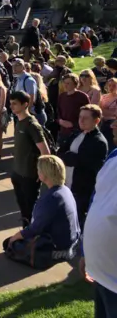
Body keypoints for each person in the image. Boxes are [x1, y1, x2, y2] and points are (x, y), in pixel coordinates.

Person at [3, 155, 80, 269]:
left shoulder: (52, 198)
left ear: (44, 174)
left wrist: (16, 237)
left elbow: (36, 228)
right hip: (72, 242)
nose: (37, 171)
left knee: (8, 243)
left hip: (59, 248)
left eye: (39, 169)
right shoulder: (64, 190)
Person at [79, 120, 117, 316]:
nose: (112, 126)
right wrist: (87, 252)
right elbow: (97, 203)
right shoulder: (113, 157)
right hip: (101, 274)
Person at [58, 104, 108, 229]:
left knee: (77, 221)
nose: (81, 120)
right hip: (66, 183)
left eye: (86, 118)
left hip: (81, 190)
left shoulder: (98, 142)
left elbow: (80, 162)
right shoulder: (76, 133)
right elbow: (60, 152)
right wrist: (70, 157)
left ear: (96, 121)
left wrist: (70, 157)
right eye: (80, 117)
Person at [9, 91, 50, 228]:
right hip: (17, 173)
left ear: (25, 104)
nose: (11, 106)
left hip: (29, 175)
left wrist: (41, 172)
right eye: (11, 103)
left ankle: (33, 239)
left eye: (15, 103)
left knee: (31, 209)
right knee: (23, 210)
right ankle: (26, 235)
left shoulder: (32, 125)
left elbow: (45, 151)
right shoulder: (19, 122)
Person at [57, 73, 90, 146]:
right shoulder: (62, 96)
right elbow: (58, 112)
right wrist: (60, 121)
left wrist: (74, 124)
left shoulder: (82, 97)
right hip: (63, 131)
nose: (65, 85)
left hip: (77, 131)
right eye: (64, 83)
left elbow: (88, 114)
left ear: (75, 84)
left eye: (68, 83)